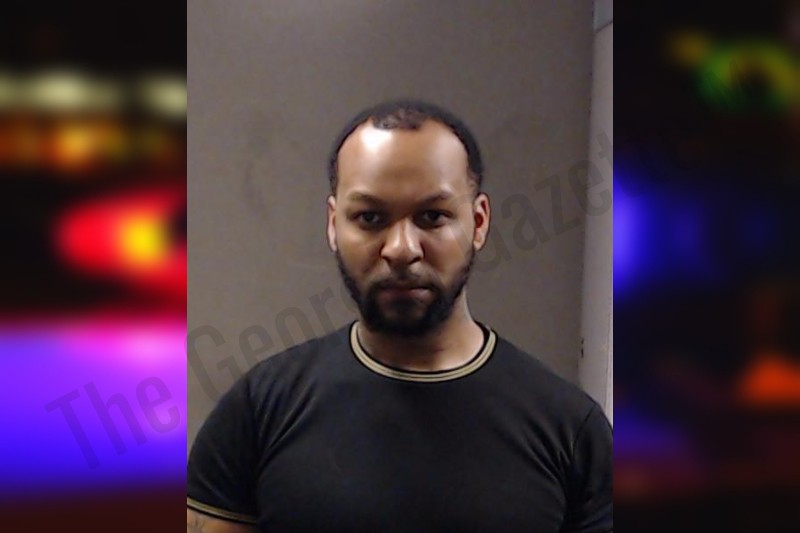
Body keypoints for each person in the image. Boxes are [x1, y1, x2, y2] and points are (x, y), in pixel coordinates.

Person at [187, 100, 613, 532]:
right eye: (370, 217)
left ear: (479, 222)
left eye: (433, 217)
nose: (402, 249)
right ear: (333, 224)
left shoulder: (571, 431)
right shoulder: (259, 411)